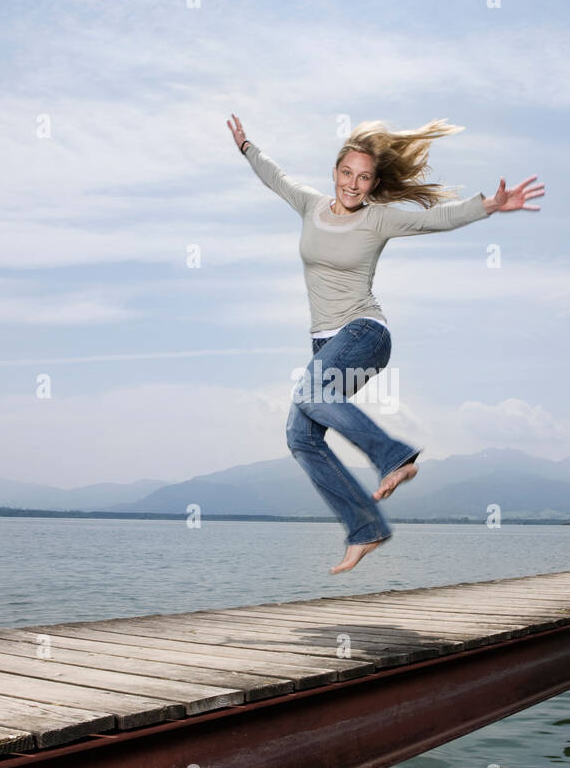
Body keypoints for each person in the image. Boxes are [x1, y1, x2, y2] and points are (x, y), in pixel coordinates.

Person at [226, 113, 543, 572]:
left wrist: (489, 205)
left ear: (374, 185)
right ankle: (365, 528)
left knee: (313, 394)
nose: (353, 185)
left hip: (365, 333)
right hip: (324, 345)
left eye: (364, 178)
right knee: (300, 436)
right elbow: (275, 176)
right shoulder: (309, 205)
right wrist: (246, 146)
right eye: (347, 174)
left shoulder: (379, 219)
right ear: (335, 173)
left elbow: (436, 218)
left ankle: (394, 457)